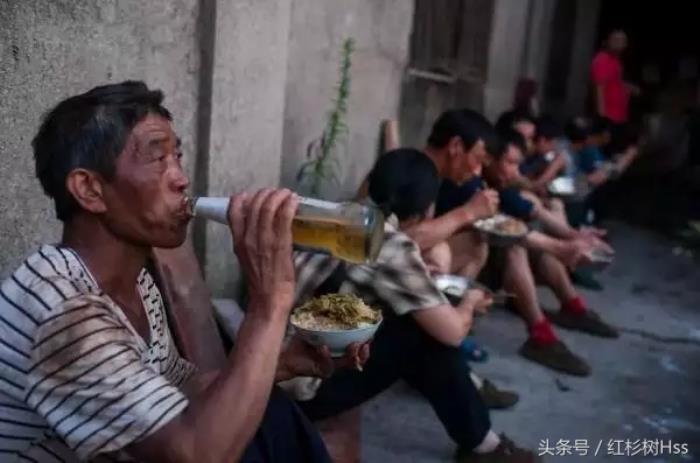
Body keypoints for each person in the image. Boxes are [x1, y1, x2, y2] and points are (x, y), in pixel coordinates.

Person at [0, 81, 362, 462]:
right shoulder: (65, 313)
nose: (181, 178)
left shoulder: (137, 283)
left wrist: (281, 362)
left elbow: (180, 388)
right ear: (89, 189)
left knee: (272, 413)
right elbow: (195, 454)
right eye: (158, 159)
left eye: (178, 157)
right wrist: (269, 304)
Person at [295, 148, 540, 463]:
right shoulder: (392, 245)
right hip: (305, 386)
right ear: (426, 210)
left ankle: (480, 436)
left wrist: (418, 279)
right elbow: (453, 332)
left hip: (286, 361)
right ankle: (483, 445)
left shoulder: (345, 214)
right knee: (424, 336)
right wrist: (469, 303)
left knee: (413, 322)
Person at [591, 29, 640, 156]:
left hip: (619, 117)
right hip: (608, 118)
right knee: (606, 153)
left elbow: (614, 81)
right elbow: (599, 88)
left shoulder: (616, 61)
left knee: (616, 152)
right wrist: (602, 118)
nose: (619, 43)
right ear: (607, 41)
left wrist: (628, 87)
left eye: (622, 41)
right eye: (615, 40)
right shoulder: (602, 60)